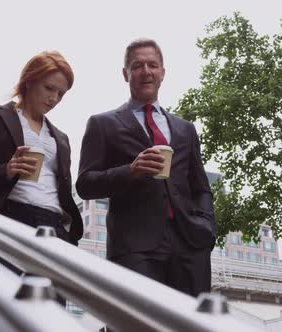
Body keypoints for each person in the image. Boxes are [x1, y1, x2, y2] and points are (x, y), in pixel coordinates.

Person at [76, 38, 216, 297]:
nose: (146, 71)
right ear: (125, 74)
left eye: (152, 65)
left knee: (190, 324)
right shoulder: (102, 124)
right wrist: (130, 170)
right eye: (137, 65)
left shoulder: (186, 129)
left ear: (163, 72)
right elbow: (84, 184)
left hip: (190, 244)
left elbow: (200, 187)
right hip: (134, 247)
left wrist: (206, 225)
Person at [0, 51, 83, 268]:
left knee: (49, 301)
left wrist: (68, 235)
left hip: (54, 227)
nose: (54, 98)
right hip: (8, 219)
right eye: (49, 88)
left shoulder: (61, 139)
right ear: (29, 81)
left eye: (61, 94)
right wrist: (5, 170)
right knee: (2, 297)